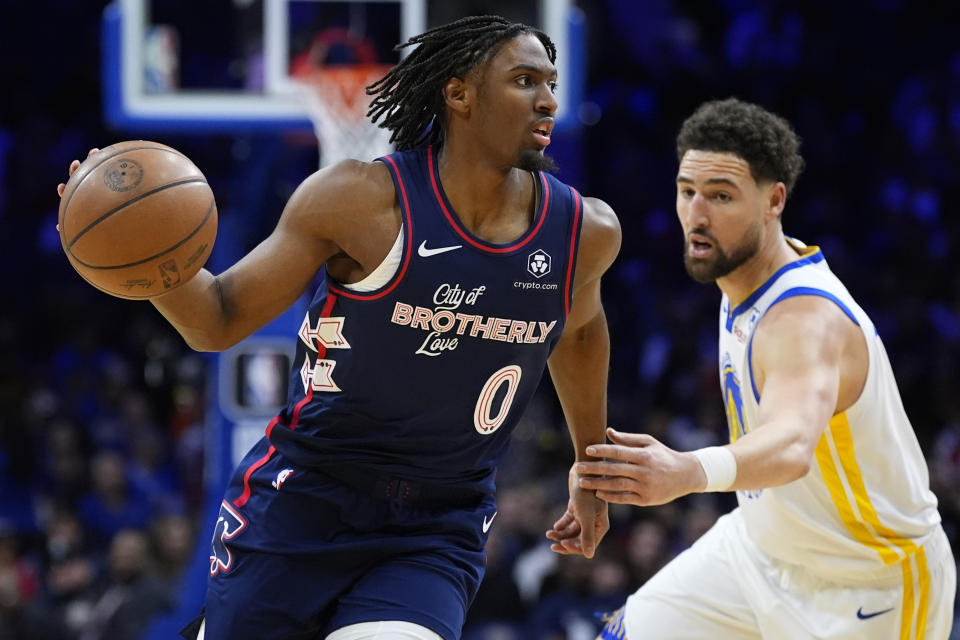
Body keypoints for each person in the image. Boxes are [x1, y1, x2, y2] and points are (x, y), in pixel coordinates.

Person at [57, 15, 620, 640]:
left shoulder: (583, 231)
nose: (548, 99)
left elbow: (580, 334)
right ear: (459, 94)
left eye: (551, 82)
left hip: (437, 522)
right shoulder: (358, 201)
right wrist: (142, 248)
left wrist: (590, 471)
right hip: (307, 498)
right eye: (523, 80)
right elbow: (215, 321)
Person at [564, 98, 956, 639]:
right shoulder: (740, 277)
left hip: (868, 583)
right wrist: (605, 472)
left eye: (721, 196)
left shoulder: (806, 319)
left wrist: (688, 471)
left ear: (774, 200)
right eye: (687, 192)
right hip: (758, 550)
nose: (696, 215)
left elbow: (792, 445)